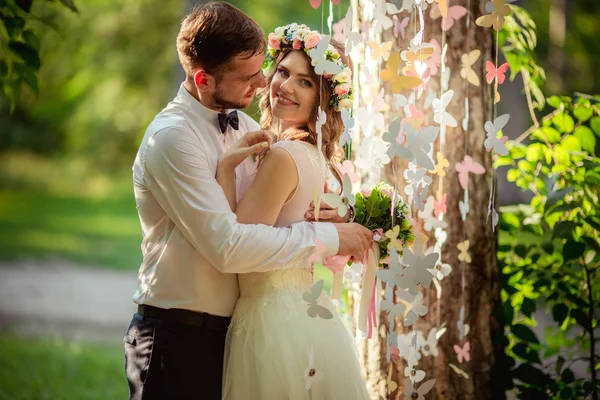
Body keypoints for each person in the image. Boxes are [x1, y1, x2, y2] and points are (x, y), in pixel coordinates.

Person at [123, 3, 373, 400]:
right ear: (203, 79)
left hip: (237, 331)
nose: (263, 83)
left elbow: (282, 203)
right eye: (250, 76)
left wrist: (335, 211)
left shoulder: (252, 127)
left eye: (262, 69)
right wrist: (327, 236)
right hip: (177, 336)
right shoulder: (172, 139)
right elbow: (230, 246)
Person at [219, 23, 370, 399]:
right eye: (283, 72)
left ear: (323, 101)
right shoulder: (311, 154)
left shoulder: (285, 156)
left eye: (305, 82)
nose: (285, 86)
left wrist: (223, 169)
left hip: (273, 319)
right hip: (306, 313)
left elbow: (239, 244)